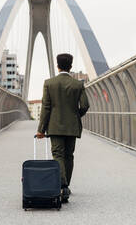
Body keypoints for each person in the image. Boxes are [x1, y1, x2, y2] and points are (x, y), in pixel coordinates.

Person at [36, 53, 89, 203]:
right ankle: (67, 186)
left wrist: (41, 129)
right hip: (72, 126)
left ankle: (62, 185)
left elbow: (46, 107)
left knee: (58, 154)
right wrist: (75, 115)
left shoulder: (49, 83)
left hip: (55, 126)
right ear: (71, 66)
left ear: (57, 66)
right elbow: (85, 105)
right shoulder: (78, 84)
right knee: (69, 155)